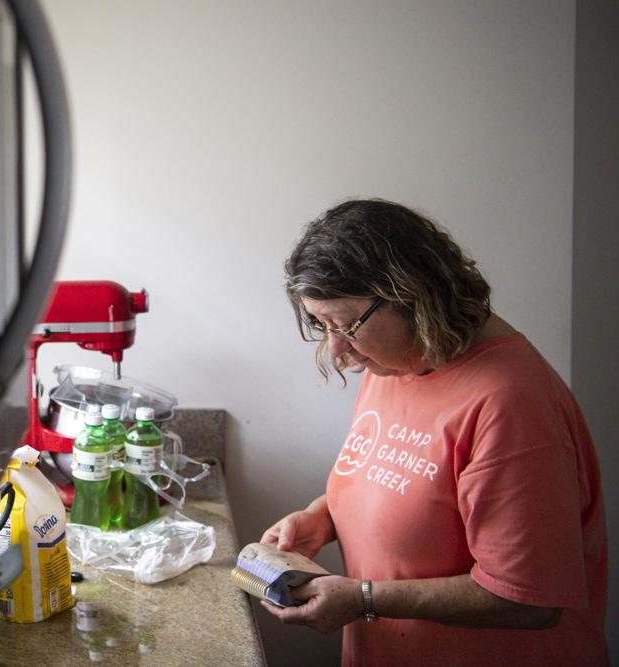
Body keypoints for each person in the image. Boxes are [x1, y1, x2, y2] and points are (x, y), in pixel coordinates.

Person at [260, 199, 608, 666]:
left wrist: (364, 598)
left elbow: (529, 599)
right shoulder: (395, 364)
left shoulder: (512, 403)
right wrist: (322, 517)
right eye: (320, 326)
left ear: (412, 295)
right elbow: (406, 485)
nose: (338, 350)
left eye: (345, 325)